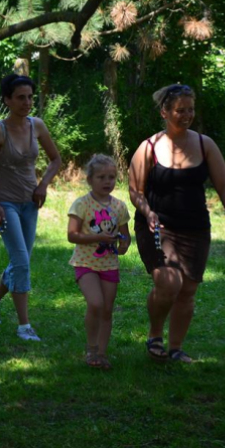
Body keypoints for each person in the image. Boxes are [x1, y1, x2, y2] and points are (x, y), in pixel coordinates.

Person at [129, 84, 225, 363]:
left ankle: (176, 347)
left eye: (190, 109)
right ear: (165, 112)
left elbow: (223, 184)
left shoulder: (205, 145)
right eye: (180, 110)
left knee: (188, 290)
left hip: (195, 228)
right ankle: (155, 334)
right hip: (158, 226)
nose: (186, 115)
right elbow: (135, 190)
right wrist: (147, 211)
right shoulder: (149, 147)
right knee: (168, 284)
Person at [0, 73, 61, 341]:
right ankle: (24, 326)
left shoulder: (36, 125)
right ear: (7, 100)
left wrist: (43, 185)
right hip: (6, 204)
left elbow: (55, 159)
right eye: (20, 97)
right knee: (22, 262)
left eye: (29, 97)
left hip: (31, 202)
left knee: (20, 261)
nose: (26, 102)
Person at [67, 155, 131, 369]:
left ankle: (101, 354)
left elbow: (125, 234)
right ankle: (91, 348)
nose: (107, 181)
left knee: (106, 309)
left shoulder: (120, 206)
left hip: (109, 264)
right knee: (95, 303)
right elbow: (72, 235)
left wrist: (124, 245)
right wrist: (99, 238)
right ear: (90, 179)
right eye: (101, 177)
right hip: (85, 263)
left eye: (112, 177)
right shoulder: (81, 204)